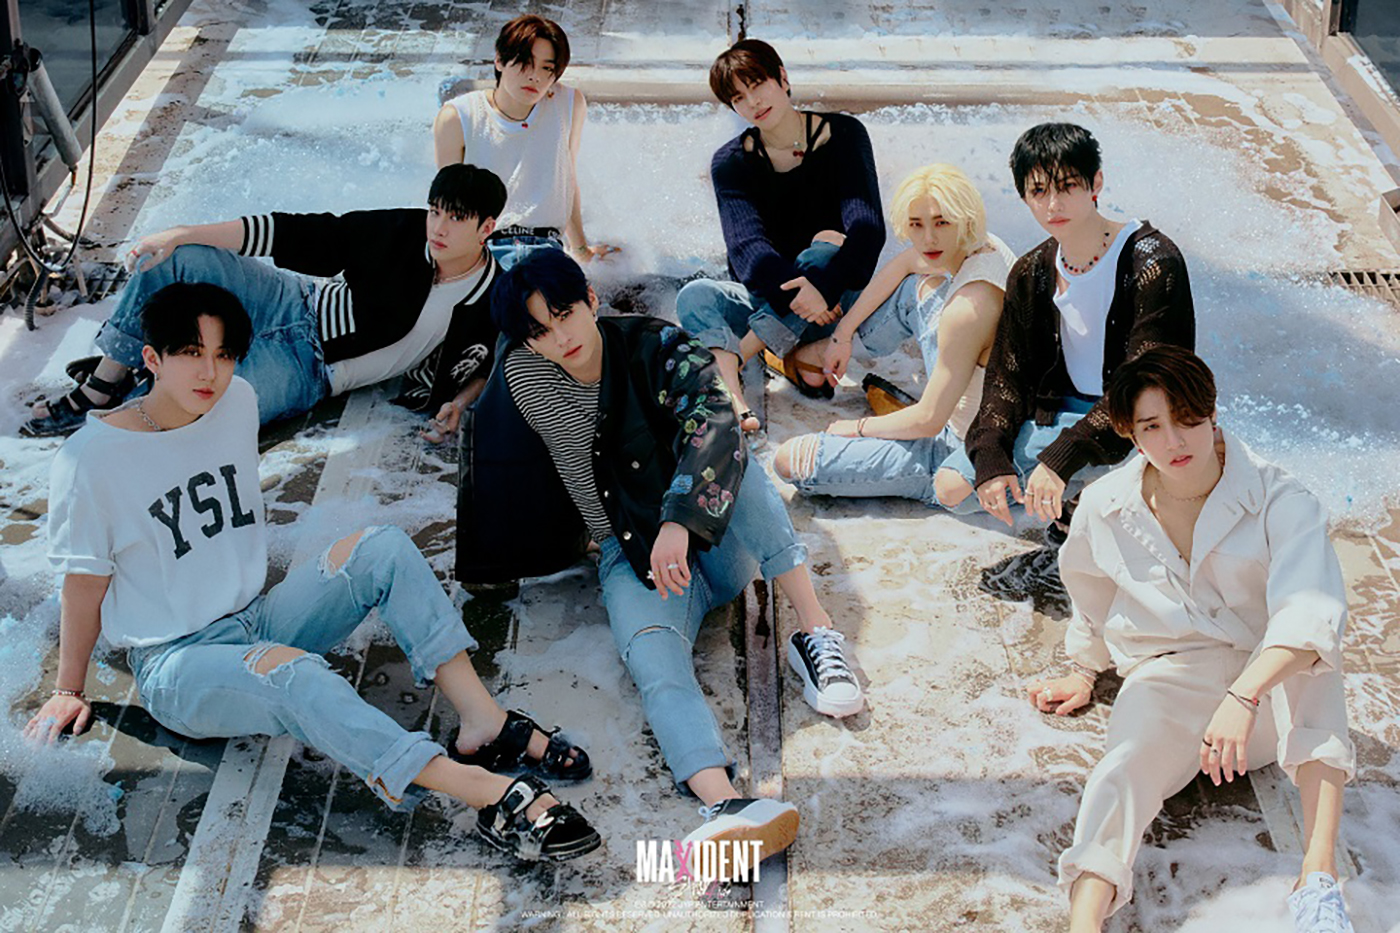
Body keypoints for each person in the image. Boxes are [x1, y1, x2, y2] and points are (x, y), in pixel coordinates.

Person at [25, 283, 600, 862]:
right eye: (191, 353)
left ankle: (484, 722)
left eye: (224, 354)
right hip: (177, 663)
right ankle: (486, 792)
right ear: (152, 358)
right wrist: (68, 690)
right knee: (296, 675)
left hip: (257, 618)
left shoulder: (237, 401)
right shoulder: (91, 460)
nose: (210, 372)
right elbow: (84, 584)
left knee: (382, 548)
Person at [456, 249, 864, 861]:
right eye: (539, 331)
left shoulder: (657, 345)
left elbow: (716, 418)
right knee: (654, 663)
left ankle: (815, 629)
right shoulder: (526, 374)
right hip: (631, 555)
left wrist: (681, 517)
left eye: (565, 314)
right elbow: (506, 445)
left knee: (741, 467)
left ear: (592, 299)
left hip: (712, 541)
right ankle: (726, 806)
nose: (560, 337)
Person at [1027, 346, 1355, 933]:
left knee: (1315, 665)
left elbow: (1312, 611)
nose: (1175, 441)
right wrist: (1083, 668)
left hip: (1266, 693)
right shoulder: (1105, 506)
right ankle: (1084, 921)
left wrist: (1245, 695)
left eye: (1187, 420)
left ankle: (1319, 881)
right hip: (1172, 677)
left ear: (1212, 413)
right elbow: (1091, 592)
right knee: (1121, 765)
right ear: (1129, 432)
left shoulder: (1282, 498)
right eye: (1152, 426)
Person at [23, 165, 506, 443]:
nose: (438, 228)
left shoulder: (493, 292)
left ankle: (143, 393)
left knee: (206, 416)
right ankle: (104, 384)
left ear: (486, 228)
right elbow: (297, 233)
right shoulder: (403, 231)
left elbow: (492, 359)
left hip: (308, 371)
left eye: (456, 219)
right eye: (435, 212)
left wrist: (459, 403)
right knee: (174, 258)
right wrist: (181, 233)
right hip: (290, 302)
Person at [933, 123, 1195, 538]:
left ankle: (1094, 489)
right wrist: (992, 452)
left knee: (1090, 467)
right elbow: (1007, 376)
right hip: (1061, 412)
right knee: (952, 488)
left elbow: (1148, 380)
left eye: (1068, 185)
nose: (1054, 204)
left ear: (1096, 183)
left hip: (1138, 416)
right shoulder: (1032, 271)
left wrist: (1060, 459)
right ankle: (1078, 494)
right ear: (1024, 197)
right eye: (1038, 191)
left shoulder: (1152, 260)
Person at [771, 164, 1015, 503]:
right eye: (916, 224)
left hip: (962, 448)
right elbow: (904, 264)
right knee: (918, 289)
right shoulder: (984, 246)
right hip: (979, 404)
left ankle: (908, 424)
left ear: (965, 219)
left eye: (942, 222)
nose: (928, 238)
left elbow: (929, 421)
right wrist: (842, 334)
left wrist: (856, 428)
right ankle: (829, 358)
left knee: (790, 460)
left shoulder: (969, 307)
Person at [676, 38, 884, 432]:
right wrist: (805, 294)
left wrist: (825, 286)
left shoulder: (844, 134)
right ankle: (791, 356)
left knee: (826, 247)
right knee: (694, 295)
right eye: (738, 98)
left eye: (758, 85)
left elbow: (868, 228)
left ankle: (736, 363)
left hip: (837, 303)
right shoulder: (730, 163)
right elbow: (747, 251)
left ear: (783, 78)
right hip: (773, 300)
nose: (752, 102)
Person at [434, 14, 618, 267]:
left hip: (547, 248)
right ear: (499, 60)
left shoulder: (568, 104)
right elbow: (447, 205)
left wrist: (581, 249)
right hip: (485, 251)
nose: (535, 77)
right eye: (525, 63)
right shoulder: (459, 116)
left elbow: (566, 179)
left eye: (547, 68)